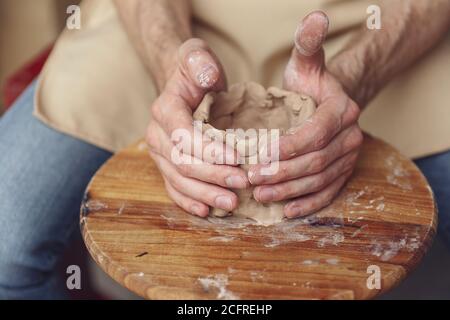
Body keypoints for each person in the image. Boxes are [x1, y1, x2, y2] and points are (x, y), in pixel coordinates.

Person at [0, 0, 449, 299]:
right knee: (6, 245)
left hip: (375, 23)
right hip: (170, 19)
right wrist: (167, 61)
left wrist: (358, 76)